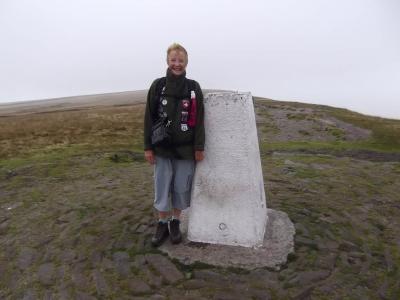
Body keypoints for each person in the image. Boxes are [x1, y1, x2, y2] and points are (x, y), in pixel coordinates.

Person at [143, 43, 205, 247]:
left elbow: (200, 120)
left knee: (180, 187)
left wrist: (198, 147)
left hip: (186, 150)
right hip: (162, 148)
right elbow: (149, 118)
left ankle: (175, 222)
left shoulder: (193, 88)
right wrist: (148, 147)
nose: (177, 64)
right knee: (162, 186)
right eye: (173, 60)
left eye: (181, 61)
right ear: (167, 61)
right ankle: (162, 223)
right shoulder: (158, 86)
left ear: (186, 62)